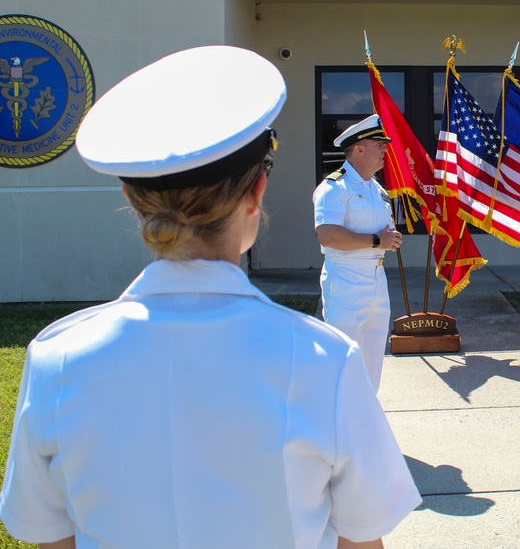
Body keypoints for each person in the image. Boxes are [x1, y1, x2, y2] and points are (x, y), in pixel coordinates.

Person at [0, 46, 421, 549]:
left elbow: (51, 538)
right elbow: (360, 538)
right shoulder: (325, 362)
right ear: (257, 191)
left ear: (131, 198)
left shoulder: (56, 362)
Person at [313, 114, 402, 393]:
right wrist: (377, 240)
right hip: (346, 277)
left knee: (373, 357)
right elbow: (328, 235)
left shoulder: (375, 188)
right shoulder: (334, 187)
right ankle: (333, 422)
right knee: (342, 355)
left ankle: (365, 420)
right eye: (379, 144)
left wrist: (385, 239)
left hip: (376, 276)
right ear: (360, 149)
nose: (385, 150)